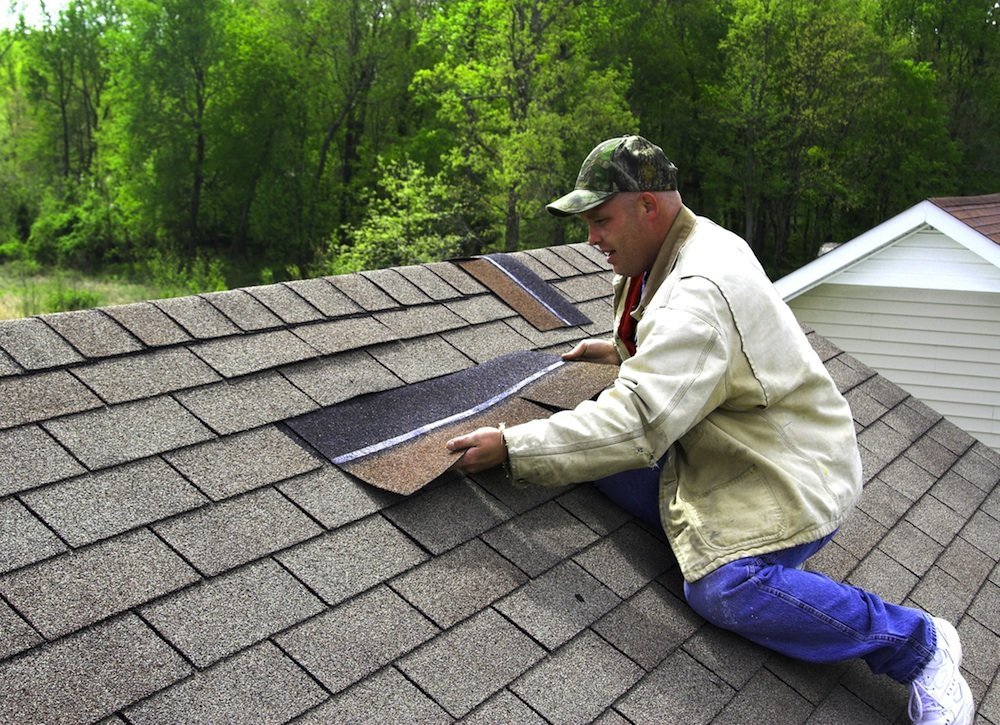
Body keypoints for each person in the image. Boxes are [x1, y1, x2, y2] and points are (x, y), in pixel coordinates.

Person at [446, 135, 975, 725]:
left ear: (648, 206)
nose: (591, 238)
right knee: (582, 457)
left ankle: (916, 644)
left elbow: (640, 421)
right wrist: (628, 350)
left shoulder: (698, 289)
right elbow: (685, 350)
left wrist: (512, 445)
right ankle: (747, 557)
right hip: (723, 441)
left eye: (601, 220)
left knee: (722, 586)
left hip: (787, 469)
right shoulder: (681, 246)